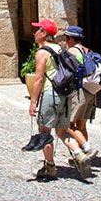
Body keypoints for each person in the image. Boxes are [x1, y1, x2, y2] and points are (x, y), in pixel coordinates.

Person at [28, 19, 91, 180]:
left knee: (44, 132)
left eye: (37, 30)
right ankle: (79, 154)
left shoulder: (42, 53)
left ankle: (50, 167)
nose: (34, 33)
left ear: (44, 33)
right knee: (62, 131)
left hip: (51, 95)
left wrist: (33, 101)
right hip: (65, 95)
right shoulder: (61, 50)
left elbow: (39, 79)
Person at [64, 25, 100, 164]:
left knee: (68, 125)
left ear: (72, 39)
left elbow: (65, 73)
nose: (66, 41)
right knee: (82, 125)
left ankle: (86, 149)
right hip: (90, 92)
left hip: (78, 93)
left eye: (67, 38)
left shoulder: (72, 51)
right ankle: (82, 156)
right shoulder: (87, 50)